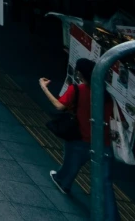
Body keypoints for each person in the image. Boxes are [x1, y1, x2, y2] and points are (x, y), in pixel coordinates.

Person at [42, 58, 96, 195]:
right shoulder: (102, 93)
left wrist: (44, 87)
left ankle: (63, 182)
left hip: (78, 132)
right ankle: (62, 178)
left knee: (71, 159)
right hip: (97, 137)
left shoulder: (77, 89)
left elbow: (59, 105)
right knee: (77, 161)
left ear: (79, 73)